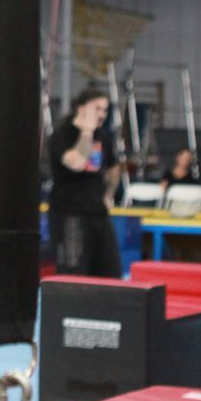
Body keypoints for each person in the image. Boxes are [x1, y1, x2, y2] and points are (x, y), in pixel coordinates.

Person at [47, 87, 122, 277]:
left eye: (105, 110)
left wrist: (108, 195)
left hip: (98, 213)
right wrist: (87, 132)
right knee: (73, 271)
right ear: (81, 108)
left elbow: (114, 168)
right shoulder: (62, 135)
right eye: (97, 109)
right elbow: (78, 163)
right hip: (70, 214)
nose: (102, 115)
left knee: (110, 272)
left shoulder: (103, 137)